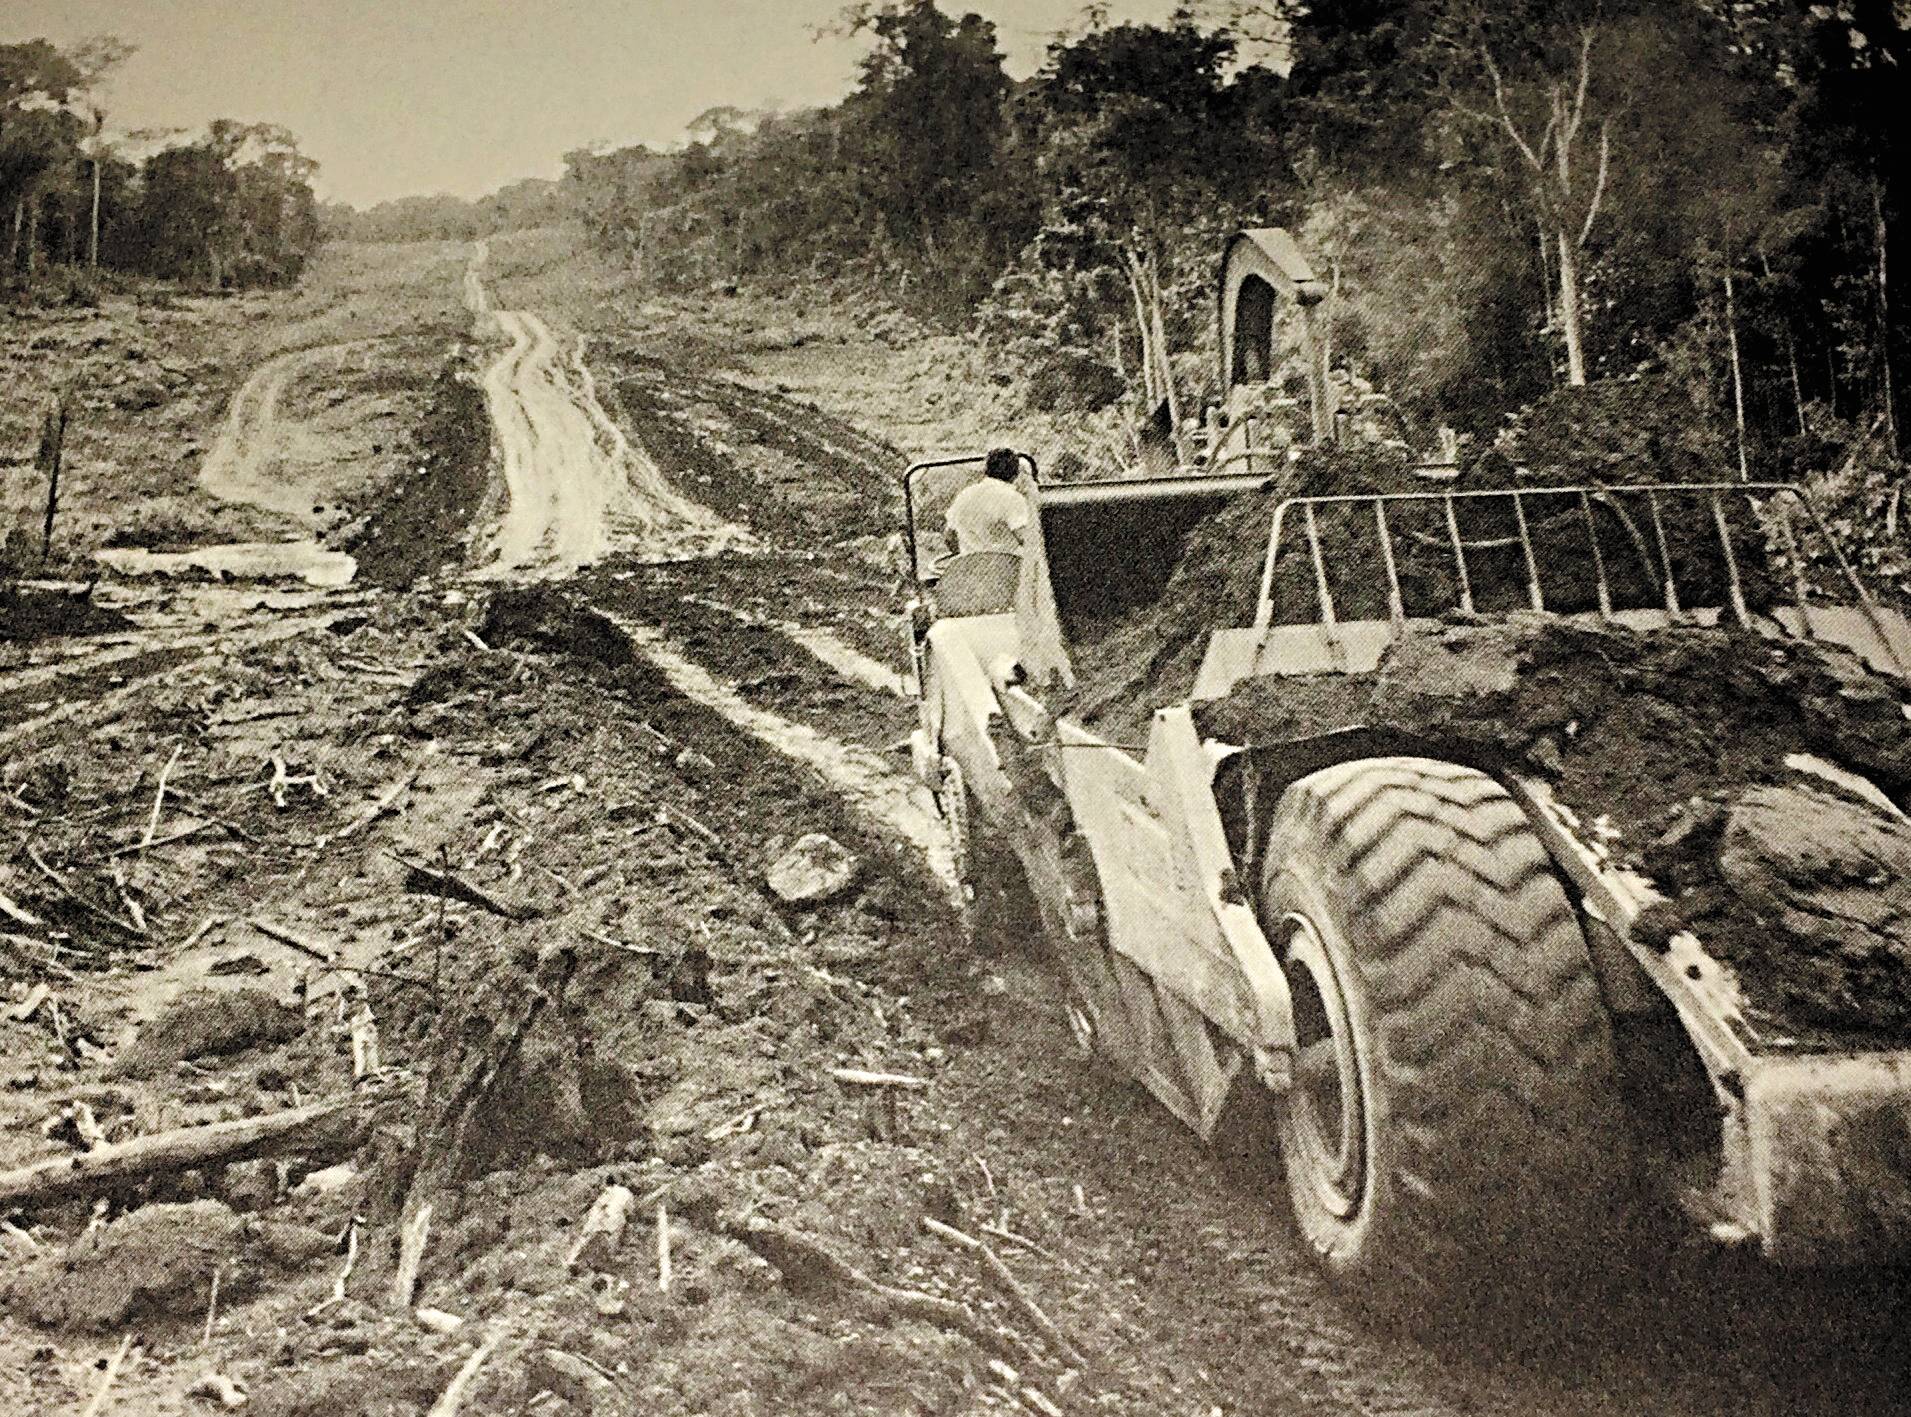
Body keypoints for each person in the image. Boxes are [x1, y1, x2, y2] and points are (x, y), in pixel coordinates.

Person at [944, 447, 1028, 556]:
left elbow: (949, 537)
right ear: (1016, 473)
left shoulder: (965, 494)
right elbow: (1026, 539)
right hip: (1007, 569)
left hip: (969, 569)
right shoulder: (1013, 498)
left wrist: (966, 559)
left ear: (986, 470)